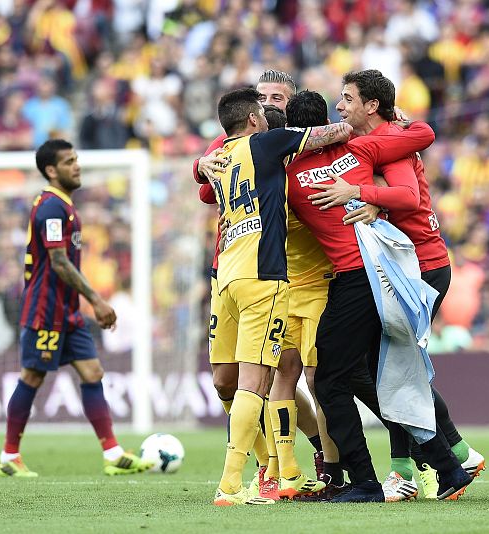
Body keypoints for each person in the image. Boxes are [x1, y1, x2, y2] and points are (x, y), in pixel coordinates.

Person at [283, 89, 472, 503]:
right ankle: (448, 465)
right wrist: (398, 126)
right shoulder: (360, 147)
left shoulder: (286, 172)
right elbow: (423, 135)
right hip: (388, 273)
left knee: (329, 380)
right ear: (328, 124)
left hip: (354, 279)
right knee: (375, 375)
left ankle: (365, 482)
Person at [195, 70, 337, 501]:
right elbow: (204, 185)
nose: (269, 103)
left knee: (283, 377)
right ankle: (242, 478)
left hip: (251, 275)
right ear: (254, 116)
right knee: (242, 382)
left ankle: (279, 469)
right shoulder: (263, 144)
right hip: (255, 274)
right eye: (263, 98)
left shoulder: (240, 149)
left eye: (278, 97)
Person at [0, 139, 153, 478]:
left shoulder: (64, 205)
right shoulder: (51, 207)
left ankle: (113, 453)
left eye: (76, 159)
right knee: (32, 377)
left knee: (93, 373)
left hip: (67, 312)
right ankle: (8, 456)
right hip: (46, 310)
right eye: (69, 162)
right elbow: (58, 261)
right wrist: (96, 300)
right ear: (51, 170)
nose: (77, 166)